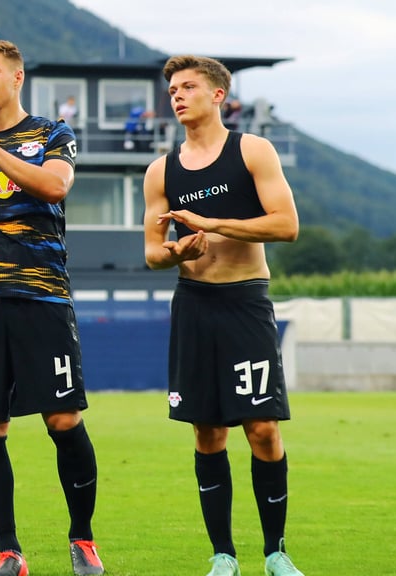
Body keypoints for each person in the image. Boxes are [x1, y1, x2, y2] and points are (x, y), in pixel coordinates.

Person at [0, 38, 104, 576]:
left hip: (42, 295)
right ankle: (9, 553)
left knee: (62, 417)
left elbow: (54, 186)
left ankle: (82, 540)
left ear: (16, 77)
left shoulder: (52, 133)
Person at [142, 55, 304, 576]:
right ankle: (223, 556)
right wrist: (179, 253)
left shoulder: (253, 150)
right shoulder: (160, 170)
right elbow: (151, 252)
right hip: (194, 305)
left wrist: (211, 223)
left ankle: (276, 552)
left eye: (188, 86)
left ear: (218, 96)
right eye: (172, 89)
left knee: (261, 429)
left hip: (245, 301)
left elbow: (285, 226)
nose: (177, 95)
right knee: (207, 432)